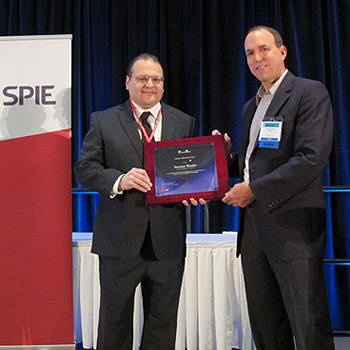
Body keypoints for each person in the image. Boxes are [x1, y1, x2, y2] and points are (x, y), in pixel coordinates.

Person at [216, 26, 335, 350]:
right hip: (254, 231)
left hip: (294, 229)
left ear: (282, 52)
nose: (257, 58)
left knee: (307, 325)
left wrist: (253, 189)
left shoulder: (309, 93)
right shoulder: (250, 107)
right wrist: (223, 157)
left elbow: (310, 159)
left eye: (264, 49)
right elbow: (252, 164)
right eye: (250, 53)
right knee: (265, 325)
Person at [75, 53, 195, 350]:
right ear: (128, 83)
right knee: (114, 324)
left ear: (163, 86)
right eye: (142, 78)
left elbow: (189, 172)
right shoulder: (103, 120)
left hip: (167, 240)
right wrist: (119, 180)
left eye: (156, 79)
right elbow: (85, 169)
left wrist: (196, 190)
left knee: (163, 324)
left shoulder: (184, 121)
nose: (149, 85)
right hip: (119, 241)